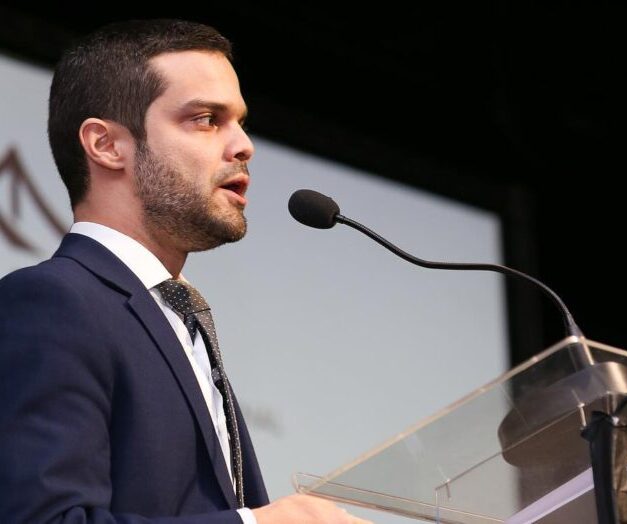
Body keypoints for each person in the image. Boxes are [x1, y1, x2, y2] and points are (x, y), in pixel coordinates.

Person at [0, 18, 370, 524]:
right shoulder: (52, 302)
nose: (243, 145)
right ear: (107, 145)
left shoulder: (177, 312)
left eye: (240, 121)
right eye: (205, 119)